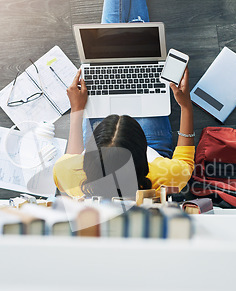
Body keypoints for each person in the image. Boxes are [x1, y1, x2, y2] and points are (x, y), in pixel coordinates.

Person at [53, 0, 195, 199]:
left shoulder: (66, 175)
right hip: (153, 145)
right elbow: (186, 162)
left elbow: (73, 156)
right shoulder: (165, 175)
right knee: (138, 50)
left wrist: (77, 109)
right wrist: (186, 106)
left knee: (108, 50)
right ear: (143, 161)